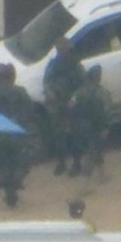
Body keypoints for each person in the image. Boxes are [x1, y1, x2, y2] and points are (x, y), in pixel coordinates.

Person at [0, 63, 40, 207]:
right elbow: (29, 111)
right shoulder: (20, 92)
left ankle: (7, 189)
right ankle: (13, 186)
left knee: (2, 162)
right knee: (17, 161)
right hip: (17, 133)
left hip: (0, 134)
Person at [43, 36, 86, 175]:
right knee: (58, 136)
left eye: (65, 49)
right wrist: (49, 92)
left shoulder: (75, 65)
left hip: (71, 102)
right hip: (56, 104)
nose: (63, 51)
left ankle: (77, 163)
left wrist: (74, 98)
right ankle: (61, 163)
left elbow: (83, 84)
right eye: (60, 49)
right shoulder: (52, 65)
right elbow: (46, 81)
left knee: (73, 134)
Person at [68, 65, 111, 177]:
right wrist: (106, 127)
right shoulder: (102, 92)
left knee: (93, 148)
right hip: (97, 125)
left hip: (81, 125)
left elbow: (70, 106)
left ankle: (101, 174)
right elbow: (106, 110)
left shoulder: (79, 91)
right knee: (94, 150)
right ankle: (88, 178)